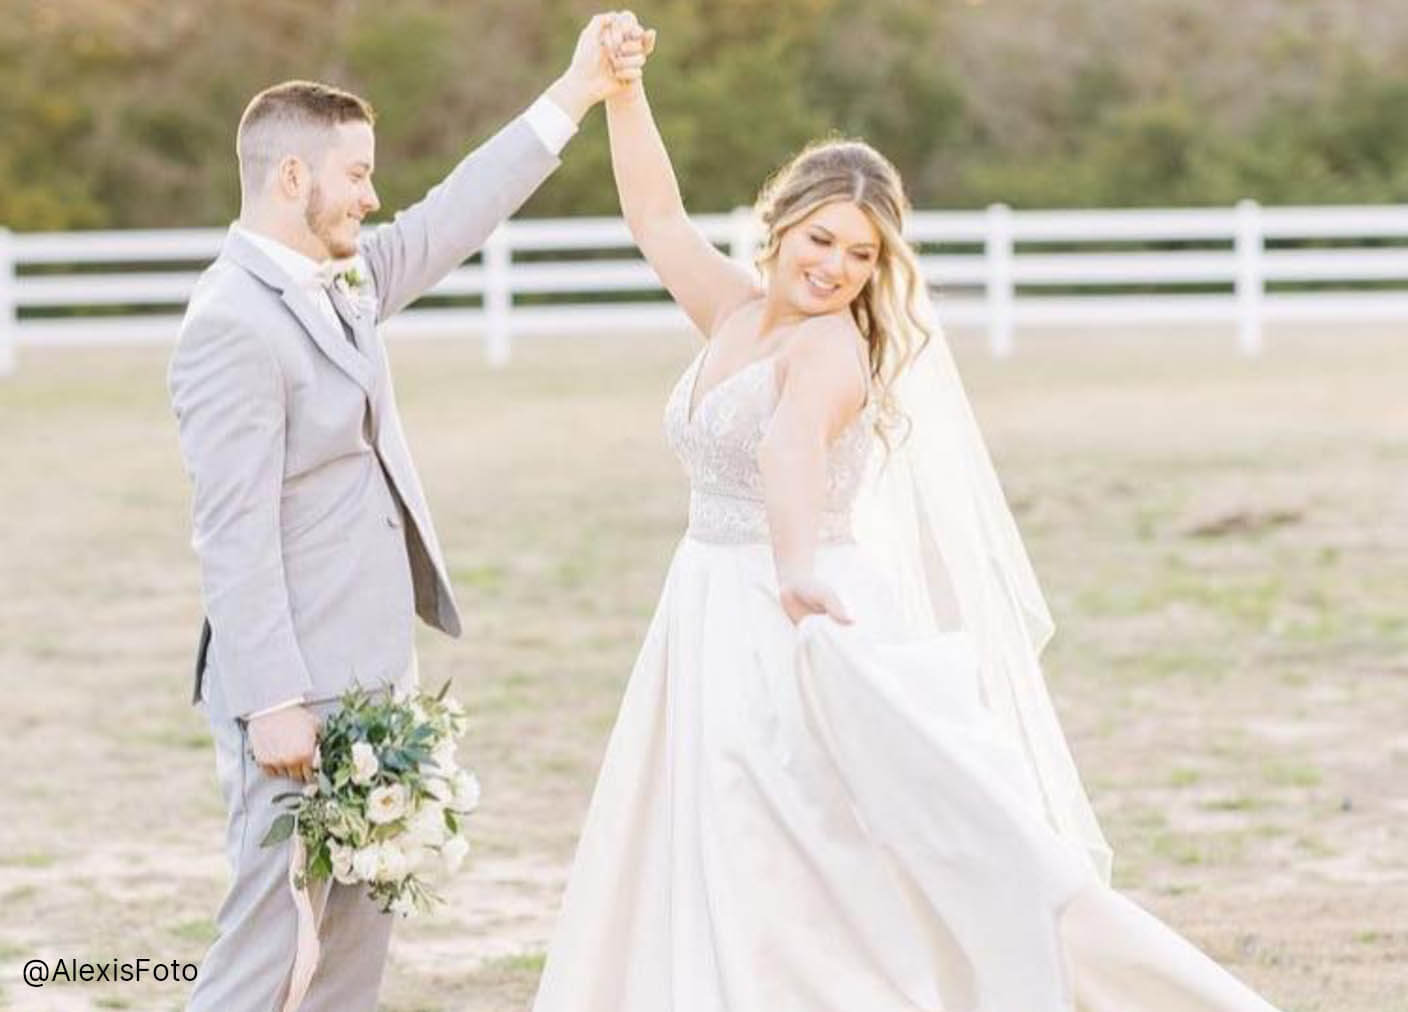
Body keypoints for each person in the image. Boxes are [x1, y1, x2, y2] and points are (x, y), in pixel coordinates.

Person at [533, 13, 1283, 1011]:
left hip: (797, 610)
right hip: (704, 606)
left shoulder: (829, 348)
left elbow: (788, 449)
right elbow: (657, 220)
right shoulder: (738, 311)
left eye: (859, 254)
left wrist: (795, 568)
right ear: (779, 223)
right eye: (820, 239)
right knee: (726, 825)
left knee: (796, 831)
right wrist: (622, 92)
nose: (834, 266)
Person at [167, 16, 648, 1010]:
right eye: (358, 177)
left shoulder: (337, 283)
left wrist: (576, 91)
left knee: (353, 951)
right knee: (268, 945)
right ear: (293, 177)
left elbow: (451, 215)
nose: (374, 198)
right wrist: (271, 701)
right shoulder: (232, 322)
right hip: (296, 689)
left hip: (373, 670)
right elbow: (233, 530)